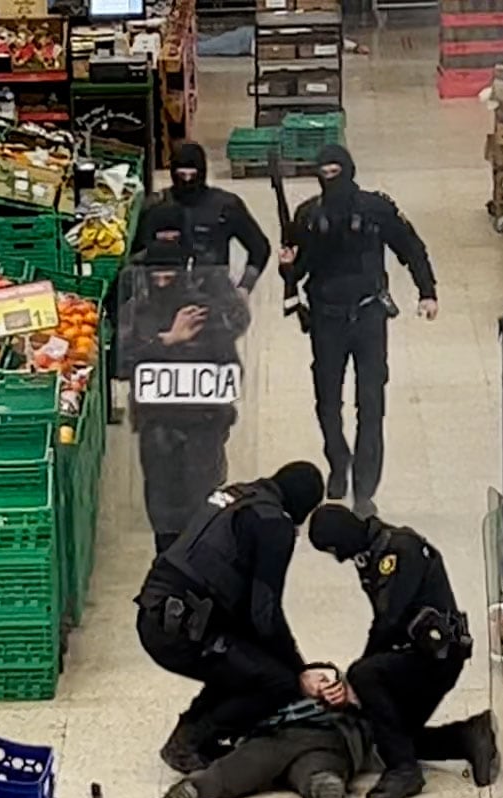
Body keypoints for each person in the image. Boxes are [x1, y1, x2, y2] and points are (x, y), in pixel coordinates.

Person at [136, 461, 330, 773]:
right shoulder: (273, 522)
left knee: (247, 661)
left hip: (160, 611)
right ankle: (189, 743)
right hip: (181, 629)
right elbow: (264, 613)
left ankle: (194, 733)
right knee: (277, 681)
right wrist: (298, 669)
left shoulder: (236, 494)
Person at [281, 144, 438, 516]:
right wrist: (287, 266)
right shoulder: (307, 216)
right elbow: (297, 272)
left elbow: (410, 247)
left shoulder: (376, 209)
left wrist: (427, 291)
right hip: (325, 319)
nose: (330, 177)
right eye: (324, 171)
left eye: (336, 170)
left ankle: (365, 487)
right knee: (327, 401)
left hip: (369, 317)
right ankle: (338, 459)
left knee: (371, 405)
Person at [307, 504, 497, 798]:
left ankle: (404, 771)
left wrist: (357, 675)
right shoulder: (374, 551)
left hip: (436, 658)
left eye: (333, 550)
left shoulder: (399, 549)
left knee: (365, 679)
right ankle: (469, 736)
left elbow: (389, 621)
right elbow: (384, 622)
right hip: (419, 656)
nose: (338, 557)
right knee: (387, 733)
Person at [131, 682, 370, 798]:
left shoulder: (266, 682)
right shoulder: (342, 690)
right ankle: (326, 794)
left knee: (229, 774)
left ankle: (182, 795)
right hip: (330, 738)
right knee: (316, 771)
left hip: (275, 736)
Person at [120, 237, 251, 553]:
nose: (163, 282)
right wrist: (168, 340)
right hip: (158, 429)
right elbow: (123, 363)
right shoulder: (139, 312)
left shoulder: (205, 311)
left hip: (202, 428)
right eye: (157, 275)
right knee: (163, 512)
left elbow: (231, 369)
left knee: (203, 510)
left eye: (170, 274)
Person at [133, 141, 272, 294]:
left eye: (192, 175)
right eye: (181, 175)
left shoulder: (226, 206)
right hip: (164, 299)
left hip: (214, 296)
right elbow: (135, 256)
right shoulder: (155, 208)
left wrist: (244, 288)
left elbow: (260, 248)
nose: (187, 181)